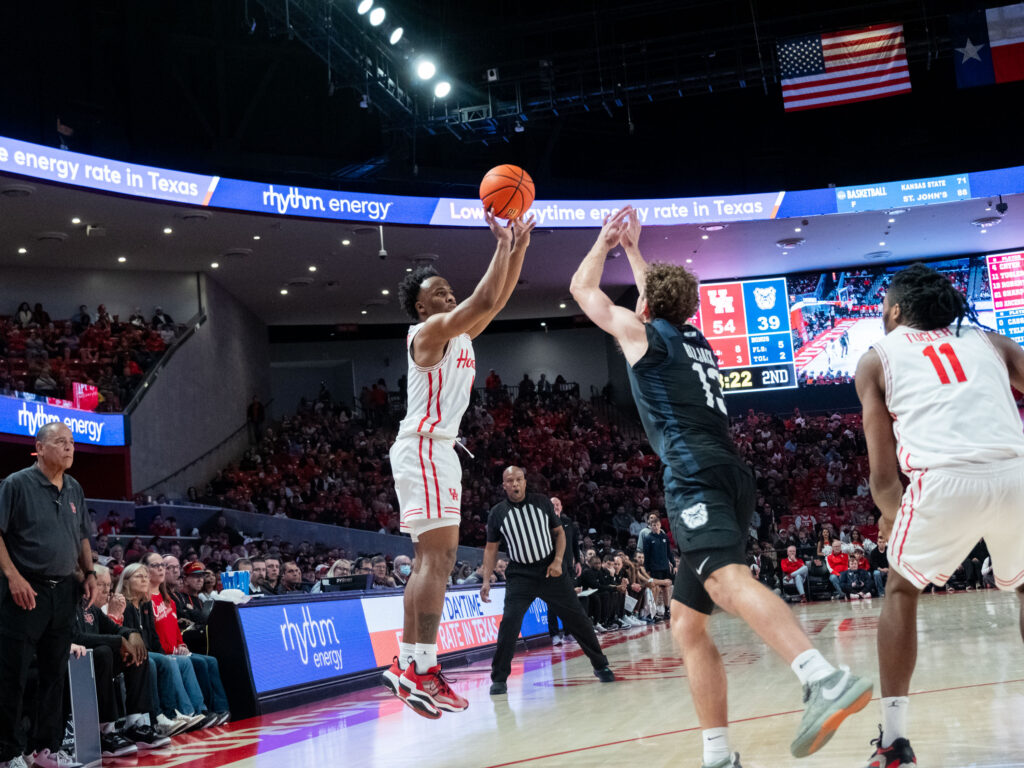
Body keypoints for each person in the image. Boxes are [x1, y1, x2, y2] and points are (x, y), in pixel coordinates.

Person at [570, 206, 871, 767]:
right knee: (686, 623)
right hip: (730, 472)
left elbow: (582, 290)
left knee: (729, 583)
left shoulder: (646, 337)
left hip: (694, 475)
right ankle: (717, 756)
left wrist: (604, 242)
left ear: (646, 307)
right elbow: (656, 296)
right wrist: (634, 250)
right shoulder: (697, 341)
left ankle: (822, 677)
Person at [855, 262, 1024, 766]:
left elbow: (883, 476)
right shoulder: (990, 341)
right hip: (1015, 472)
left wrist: (892, 516)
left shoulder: (876, 358)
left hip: (943, 479)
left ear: (896, 311)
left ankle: (894, 742)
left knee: (901, 589)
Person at [381, 209, 535, 719]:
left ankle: (409, 664)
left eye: (451, 291)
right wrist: (502, 244)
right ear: (421, 305)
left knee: (431, 560)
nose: (449, 295)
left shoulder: (460, 335)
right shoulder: (426, 333)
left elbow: (498, 299)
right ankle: (422, 668)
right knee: (438, 560)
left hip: (435, 450)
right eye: (440, 291)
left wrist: (519, 247)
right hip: (425, 446)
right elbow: (484, 299)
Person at [0, 423, 97, 768]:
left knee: (54, 674)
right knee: (13, 674)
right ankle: (8, 752)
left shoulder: (74, 488)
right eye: (60, 442)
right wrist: (13, 577)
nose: (69, 447)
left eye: (71, 442)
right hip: (26, 591)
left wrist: (89, 573)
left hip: (64, 591)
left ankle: (45, 749)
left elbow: (82, 536)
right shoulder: (16, 484)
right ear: (39, 447)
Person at [480, 467, 613, 694]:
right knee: (509, 623)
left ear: (524, 482)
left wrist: (558, 561)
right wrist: (486, 580)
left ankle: (601, 665)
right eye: (510, 481)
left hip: (550, 570)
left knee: (578, 619)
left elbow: (559, 533)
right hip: (520, 574)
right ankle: (499, 679)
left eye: (519, 479)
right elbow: (491, 549)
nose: (515, 484)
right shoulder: (497, 513)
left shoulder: (542, 502)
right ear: (504, 485)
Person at [72, 564, 169, 754]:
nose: (105, 590)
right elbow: (75, 637)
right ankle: (105, 730)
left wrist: (132, 634)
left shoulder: (90, 607)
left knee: (137, 650)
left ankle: (135, 723)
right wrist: (118, 640)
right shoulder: (68, 603)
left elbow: (115, 629)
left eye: (108, 585)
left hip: (98, 663)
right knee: (104, 652)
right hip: (73, 663)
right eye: (100, 584)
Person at [547, 496, 583, 645]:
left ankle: (569, 632)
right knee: (553, 601)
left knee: (570, 600)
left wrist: (578, 561)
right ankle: (554, 634)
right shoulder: (544, 523)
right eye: (553, 504)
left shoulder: (569, 522)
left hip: (568, 566)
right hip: (552, 566)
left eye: (558, 504)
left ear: (561, 507)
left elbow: (575, 544)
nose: (555, 506)